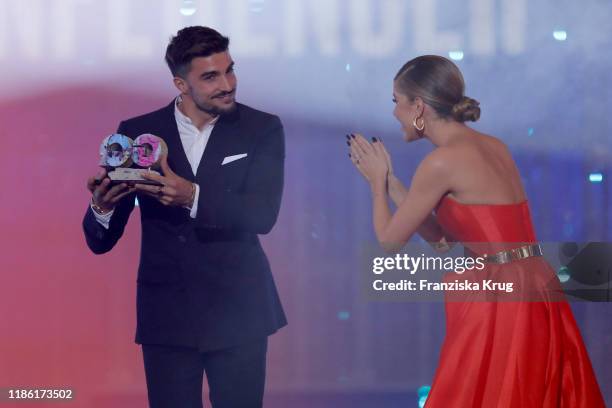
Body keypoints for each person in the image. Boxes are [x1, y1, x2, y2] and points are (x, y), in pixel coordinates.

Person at [347, 55, 605, 407]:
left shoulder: (441, 161)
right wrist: (392, 183)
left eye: (397, 101)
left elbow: (389, 242)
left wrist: (376, 186)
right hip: (534, 283)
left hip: (500, 296)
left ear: (418, 106)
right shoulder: (491, 145)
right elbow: (445, 240)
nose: (394, 113)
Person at [83, 26, 286, 408]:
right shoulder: (138, 133)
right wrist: (102, 207)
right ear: (181, 83)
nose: (227, 84)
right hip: (167, 314)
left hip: (238, 311)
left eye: (230, 70)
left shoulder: (262, 128)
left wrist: (191, 195)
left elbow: (262, 214)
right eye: (210, 76)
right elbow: (100, 241)